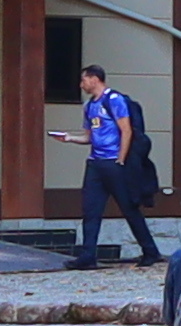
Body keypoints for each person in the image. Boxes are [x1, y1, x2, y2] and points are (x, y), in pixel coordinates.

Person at [70, 61, 165, 265]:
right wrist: (69, 138)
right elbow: (89, 136)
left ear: (94, 79)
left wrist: (121, 158)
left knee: (129, 208)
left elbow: (127, 130)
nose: (81, 85)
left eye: (84, 79)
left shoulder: (114, 100)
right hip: (95, 163)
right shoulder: (89, 107)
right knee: (91, 210)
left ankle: (150, 251)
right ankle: (88, 256)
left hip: (114, 162)